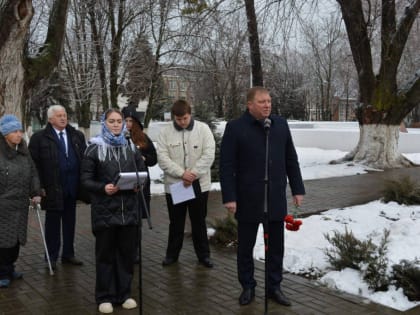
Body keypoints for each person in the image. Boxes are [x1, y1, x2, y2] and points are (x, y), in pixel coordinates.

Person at [219, 86, 305, 306]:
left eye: (269, 101)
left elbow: (290, 159)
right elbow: (227, 165)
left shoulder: (280, 125)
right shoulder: (236, 128)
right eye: (261, 102)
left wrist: (297, 188)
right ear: (249, 105)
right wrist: (230, 196)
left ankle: (274, 287)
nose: (267, 105)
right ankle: (248, 286)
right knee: (245, 247)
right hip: (248, 198)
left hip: (274, 198)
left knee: (276, 248)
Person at [81, 109, 146, 314]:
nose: (117, 124)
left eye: (120, 121)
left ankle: (124, 294)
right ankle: (104, 296)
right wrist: (103, 188)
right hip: (105, 212)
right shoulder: (94, 148)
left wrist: (138, 184)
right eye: (112, 121)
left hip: (128, 211)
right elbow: (85, 180)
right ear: (104, 123)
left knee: (126, 256)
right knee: (106, 256)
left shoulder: (130, 147)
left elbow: (142, 171)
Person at [157, 99, 215, 268]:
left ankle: (204, 255)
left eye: (185, 118)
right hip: (176, 185)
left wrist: (193, 174)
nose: (182, 122)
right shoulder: (165, 132)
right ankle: (172, 255)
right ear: (173, 117)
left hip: (199, 185)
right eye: (178, 119)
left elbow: (209, 154)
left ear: (190, 114)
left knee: (199, 221)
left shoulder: (203, 129)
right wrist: (182, 174)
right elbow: (163, 158)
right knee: (176, 223)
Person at [28, 105, 87, 270]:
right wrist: (38, 187)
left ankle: (68, 254)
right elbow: (34, 166)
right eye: (59, 115)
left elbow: (83, 158)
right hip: (52, 188)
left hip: (72, 186)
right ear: (50, 119)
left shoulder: (76, 135)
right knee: (53, 224)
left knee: (70, 222)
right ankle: (51, 256)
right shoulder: (39, 138)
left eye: (65, 115)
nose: (63, 118)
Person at [0, 115, 41, 288]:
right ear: (5, 134)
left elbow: (32, 173)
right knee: (3, 241)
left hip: (20, 205)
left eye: (20, 131)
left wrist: (36, 192)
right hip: (3, 206)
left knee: (16, 239)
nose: (19, 135)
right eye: (14, 131)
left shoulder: (24, 151)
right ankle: (2, 272)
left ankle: (9, 267)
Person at [121, 106, 157, 263]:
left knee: (136, 220)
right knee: (124, 217)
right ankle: (123, 249)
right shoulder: (117, 137)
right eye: (125, 120)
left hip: (140, 183)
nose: (128, 124)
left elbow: (153, 159)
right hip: (123, 183)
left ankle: (135, 250)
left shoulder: (142, 138)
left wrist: (144, 159)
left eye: (131, 121)